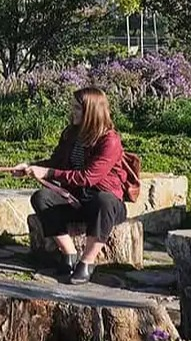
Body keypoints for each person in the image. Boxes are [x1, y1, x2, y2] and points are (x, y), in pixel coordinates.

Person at [15, 86, 128, 284]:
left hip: (103, 204)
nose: (72, 112)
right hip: (76, 199)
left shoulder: (109, 141)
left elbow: (88, 177)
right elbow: (56, 162)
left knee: (105, 200)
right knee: (41, 198)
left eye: (77, 108)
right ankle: (69, 253)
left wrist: (49, 173)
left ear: (91, 111)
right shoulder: (71, 134)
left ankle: (87, 262)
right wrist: (31, 167)